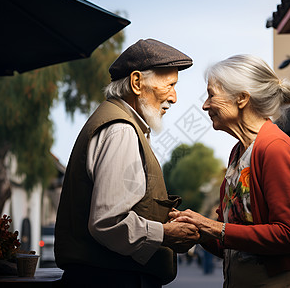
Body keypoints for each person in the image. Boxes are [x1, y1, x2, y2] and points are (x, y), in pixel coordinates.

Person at [54, 39, 200, 288]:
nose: (174, 97)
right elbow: (107, 222)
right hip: (112, 280)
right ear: (136, 82)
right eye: (170, 85)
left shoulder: (121, 124)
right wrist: (165, 233)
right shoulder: (121, 130)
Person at [170, 54, 290, 287]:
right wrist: (197, 231)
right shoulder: (238, 153)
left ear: (242, 98)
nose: (205, 105)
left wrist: (212, 226)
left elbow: (289, 235)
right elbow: (233, 241)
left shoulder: (275, 148)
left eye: (211, 95)